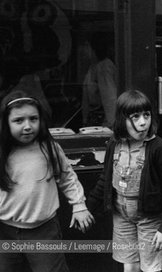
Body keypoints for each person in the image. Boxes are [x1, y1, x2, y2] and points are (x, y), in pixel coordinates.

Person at [0, 90, 94, 272]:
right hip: (4, 230)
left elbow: (67, 176)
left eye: (33, 119)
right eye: (18, 120)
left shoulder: (49, 148)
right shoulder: (2, 152)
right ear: (5, 123)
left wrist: (79, 205)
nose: (27, 126)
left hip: (42, 230)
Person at [87, 90, 162, 272]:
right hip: (121, 216)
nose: (143, 122)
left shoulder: (158, 147)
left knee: (151, 267)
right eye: (135, 117)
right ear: (122, 120)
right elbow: (105, 179)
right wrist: (87, 208)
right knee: (130, 265)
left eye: (146, 115)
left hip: (149, 218)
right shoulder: (114, 144)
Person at [81, 33, 118, 128]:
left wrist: (110, 125)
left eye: (86, 46)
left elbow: (109, 98)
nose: (83, 50)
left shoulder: (104, 67)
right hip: (92, 121)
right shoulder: (93, 67)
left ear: (93, 48)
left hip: (103, 123)